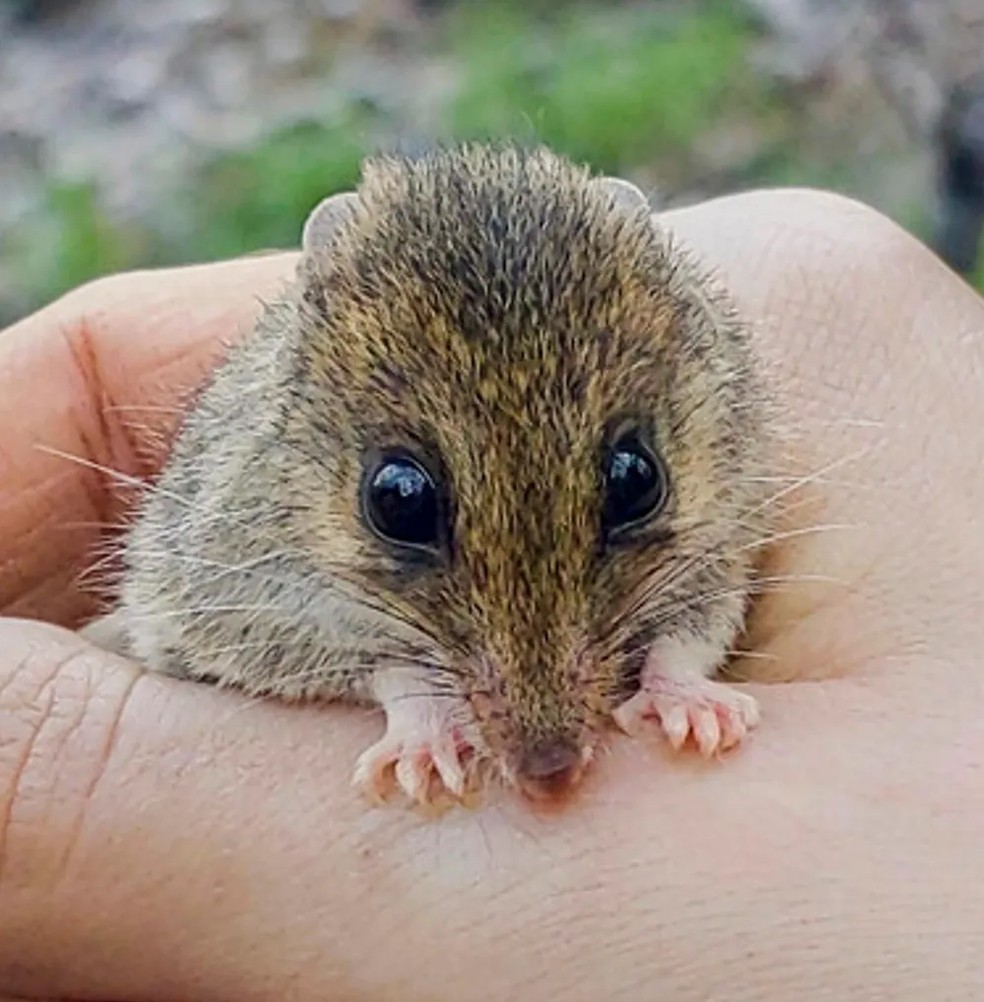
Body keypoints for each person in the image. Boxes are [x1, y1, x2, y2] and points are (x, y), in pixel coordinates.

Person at [1, 188, 982, 1001]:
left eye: (627, 491)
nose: (547, 736)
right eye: (405, 507)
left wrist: (678, 661)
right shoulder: (260, 495)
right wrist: (400, 681)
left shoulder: (714, 424)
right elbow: (192, 617)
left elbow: (717, 563)